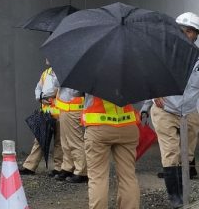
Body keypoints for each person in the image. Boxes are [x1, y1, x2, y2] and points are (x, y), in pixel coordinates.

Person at [141, 11, 199, 208]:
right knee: (171, 152)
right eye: (183, 30)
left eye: (191, 31)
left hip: (190, 111)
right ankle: (175, 197)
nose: (186, 34)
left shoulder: (198, 60)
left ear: (196, 34)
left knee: (186, 154)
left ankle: (184, 189)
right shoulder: (163, 53)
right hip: (164, 109)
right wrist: (152, 94)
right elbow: (147, 76)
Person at [83, 94, 139, 209]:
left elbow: (74, 93)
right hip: (127, 125)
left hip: (98, 126)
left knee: (98, 177)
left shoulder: (91, 76)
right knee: (128, 176)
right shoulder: (130, 75)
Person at [20, 60, 63, 176]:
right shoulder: (46, 73)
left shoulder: (61, 72)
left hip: (59, 113)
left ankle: (58, 168)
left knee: (59, 142)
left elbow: (51, 90)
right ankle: (30, 166)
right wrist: (40, 97)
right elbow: (38, 88)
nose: (46, 58)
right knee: (40, 139)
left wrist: (43, 95)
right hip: (47, 113)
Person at [55, 86, 87, 183]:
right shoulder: (70, 73)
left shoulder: (76, 73)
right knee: (65, 142)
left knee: (75, 142)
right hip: (65, 109)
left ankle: (81, 172)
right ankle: (68, 167)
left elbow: (75, 92)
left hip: (73, 109)